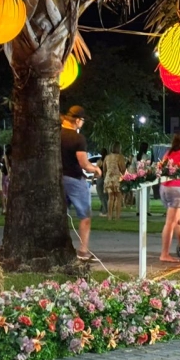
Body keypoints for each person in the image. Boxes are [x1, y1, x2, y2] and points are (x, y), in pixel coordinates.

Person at [61, 106, 101, 260]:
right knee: (85, 215)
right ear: (77, 120)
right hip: (75, 179)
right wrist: (96, 169)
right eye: (82, 121)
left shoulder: (55, 135)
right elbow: (84, 164)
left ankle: (61, 249)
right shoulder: (78, 138)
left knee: (61, 215)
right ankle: (83, 251)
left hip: (58, 179)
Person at [158, 130, 180, 263]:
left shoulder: (168, 153)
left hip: (164, 188)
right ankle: (164, 254)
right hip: (177, 190)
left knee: (179, 222)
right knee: (170, 223)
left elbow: (162, 168)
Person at [103, 142, 126, 221]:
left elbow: (104, 169)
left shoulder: (107, 157)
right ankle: (117, 217)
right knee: (118, 198)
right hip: (117, 179)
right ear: (119, 148)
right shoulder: (120, 157)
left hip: (108, 178)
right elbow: (123, 169)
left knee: (110, 198)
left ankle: (109, 216)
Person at [95, 148, 109, 217]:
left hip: (100, 179)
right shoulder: (108, 161)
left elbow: (96, 171)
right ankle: (104, 210)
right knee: (106, 196)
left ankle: (105, 211)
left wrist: (92, 179)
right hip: (107, 179)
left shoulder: (99, 161)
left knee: (101, 196)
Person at [1, 143, 12, 216]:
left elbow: (7, 164)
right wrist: (9, 173)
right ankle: (6, 208)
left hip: (5, 174)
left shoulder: (6, 155)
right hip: (6, 174)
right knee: (6, 192)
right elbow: (7, 164)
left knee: (5, 192)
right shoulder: (7, 156)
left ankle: (5, 208)